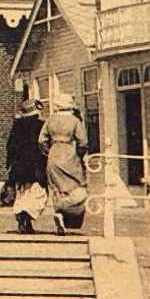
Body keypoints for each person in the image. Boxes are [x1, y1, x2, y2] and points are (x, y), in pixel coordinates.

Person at [23, 94, 89, 235]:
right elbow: (83, 141)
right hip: (70, 154)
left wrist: (49, 152)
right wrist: (79, 153)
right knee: (75, 188)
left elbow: (41, 140)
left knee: (57, 189)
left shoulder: (50, 120)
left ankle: (60, 215)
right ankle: (63, 211)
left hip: (54, 155)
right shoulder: (74, 121)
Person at [0, 98, 47, 207]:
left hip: (20, 165)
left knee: (22, 191)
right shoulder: (41, 125)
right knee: (37, 192)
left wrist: (10, 163)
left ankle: (21, 214)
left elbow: (10, 146)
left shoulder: (17, 126)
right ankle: (28, 213)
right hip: (37, 165)